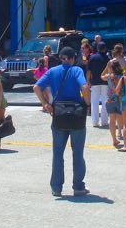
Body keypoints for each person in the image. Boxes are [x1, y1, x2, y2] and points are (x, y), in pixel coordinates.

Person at [34, 47, 91, 197]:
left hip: (59, 114)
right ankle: (78, 186)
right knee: (78, 152)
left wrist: (45, 104)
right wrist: (87, 103)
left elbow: (36, 87)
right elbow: (84, 87)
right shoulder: (77, 70)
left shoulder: (52, 71)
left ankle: (56, 187)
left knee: (57, 153)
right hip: (77, 115)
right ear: (73, 58)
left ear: (61, 57)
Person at [87, 41, 110, 127]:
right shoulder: (108, 58)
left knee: (94, 102)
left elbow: (88, 71)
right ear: (105, 48)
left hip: (95, 82)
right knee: (105, 102)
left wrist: (88, 81)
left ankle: (95, 122)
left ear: (97, 48)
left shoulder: (92, 57)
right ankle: (104, 121)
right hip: (105, 82)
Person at [102, 60, 124, 148]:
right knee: (120, 117)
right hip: (119, 99)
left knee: (111, 120)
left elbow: (101, 76)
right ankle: (119, 132)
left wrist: (106, 68)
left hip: (109, 99)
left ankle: (114, 139)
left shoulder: (108, 76)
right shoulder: (121, 76)